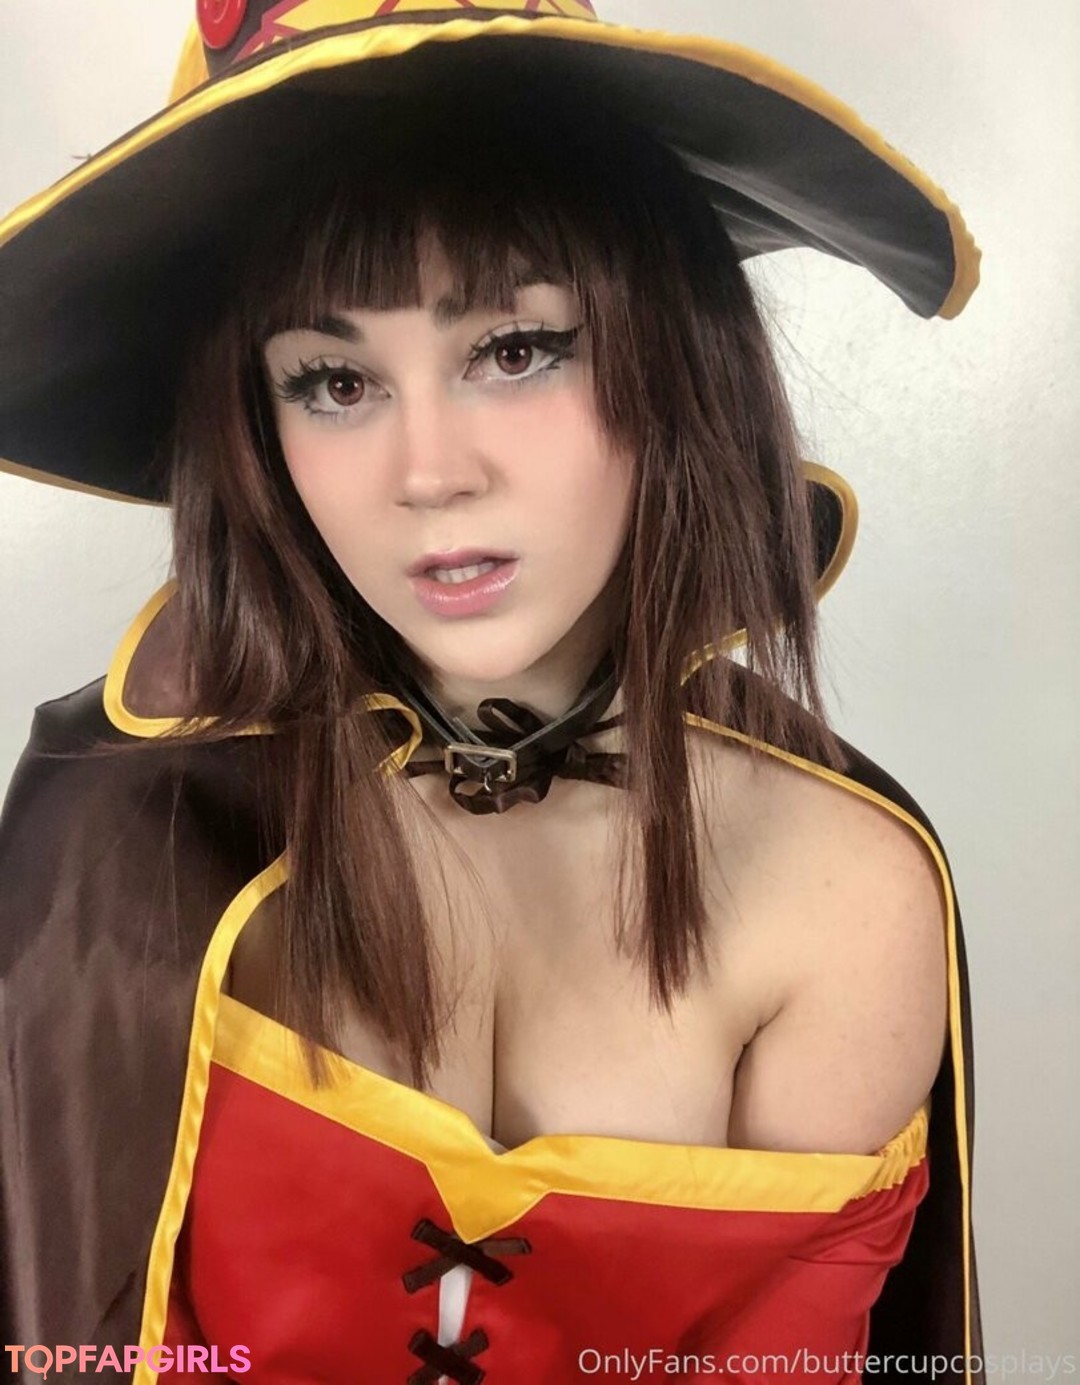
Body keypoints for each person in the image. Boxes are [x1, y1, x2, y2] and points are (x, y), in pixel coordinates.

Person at [0, 3, 984, 1382]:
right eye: (333, 380)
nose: (430, 473)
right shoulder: (113, 833)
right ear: (253, 426)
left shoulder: (847, 892)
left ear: (673, 356)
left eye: (515, 350)